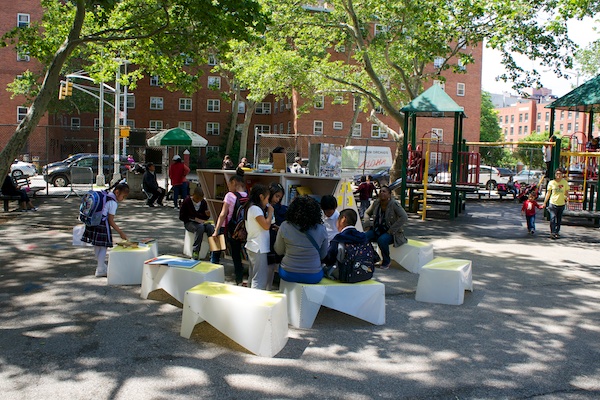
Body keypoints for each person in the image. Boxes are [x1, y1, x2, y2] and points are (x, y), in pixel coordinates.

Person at [274, 195, 328, 284]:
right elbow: (323, 255)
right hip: (314, 275)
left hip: (288, 273)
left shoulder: (285, 226)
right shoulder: (321, 229)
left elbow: (279, 250)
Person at [81, 183, 129, 277]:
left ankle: (101, 265)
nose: (123, 199)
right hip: (102, 224)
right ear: (117, 192)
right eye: (123, 196)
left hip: (93, 222)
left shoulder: (105, 195)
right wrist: (120, 232)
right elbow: (111, 220)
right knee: (103, 247)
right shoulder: (113, 203)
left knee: (97, 246)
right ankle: (100, 270)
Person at [211, 168, 247, 284]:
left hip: (225, 227)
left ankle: (212, 275)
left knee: (215, 251)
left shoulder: (229, 195)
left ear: (234, 183)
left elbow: (223, 214)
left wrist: (216, 230)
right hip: (238, 230)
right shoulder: (246, 196)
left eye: (229, 185)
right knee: (236, 256)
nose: (228, 187)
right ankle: (239, 279)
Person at [363, 185, 408, 270]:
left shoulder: (394, 204)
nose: (382, 193)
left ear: (389, 194)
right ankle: (375, 257)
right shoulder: (376, 203)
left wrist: (392, 230)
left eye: (384, 191)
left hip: (391, 233)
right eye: (380, 191)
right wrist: (367, 224)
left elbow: (404, 217)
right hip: (377, 230)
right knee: (364, 237)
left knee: (382, 240)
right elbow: (366, 213)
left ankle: (386, 261)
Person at [244, 184, 275, 290]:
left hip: (254, 246)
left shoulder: (252, 207)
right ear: (261, 197)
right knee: (259, 279)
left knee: (253, 276)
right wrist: (270, 213)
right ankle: (256, 302)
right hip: (258, 247)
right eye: (267, 198)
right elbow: (266, 225)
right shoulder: (255, 209)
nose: (268, 201)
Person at [180, 186, 215, 260]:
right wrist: (194, 219)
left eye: (200, 199)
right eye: (197, 199)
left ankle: (214, 251)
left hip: (201, 223)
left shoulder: (203, 202)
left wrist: (207, 215)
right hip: (189, 223)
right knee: (200, 228)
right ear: (193, 195)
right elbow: (182, 216)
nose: (198, 201)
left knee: (211, 228)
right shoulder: (187, 201)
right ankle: (195, 251)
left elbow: (204, 217)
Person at [542, 168, 569, 239]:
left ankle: (557, 232)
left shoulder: (565, 182)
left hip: (561, 203)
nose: (558, 175)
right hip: (553, 203)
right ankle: (553, 232)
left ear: (562, 175)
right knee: (552, 218)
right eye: (557, 174)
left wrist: (567, 199)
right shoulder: (551, 183)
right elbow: (548, 193)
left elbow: (566, 192)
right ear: (555, 175)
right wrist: (545, 202)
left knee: (559, 219)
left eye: (560, 174)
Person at [267, 182, 287, 268]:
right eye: (276, 196)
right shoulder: (265, 207)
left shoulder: (282, 209)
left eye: (280, 197)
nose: (278, 200)